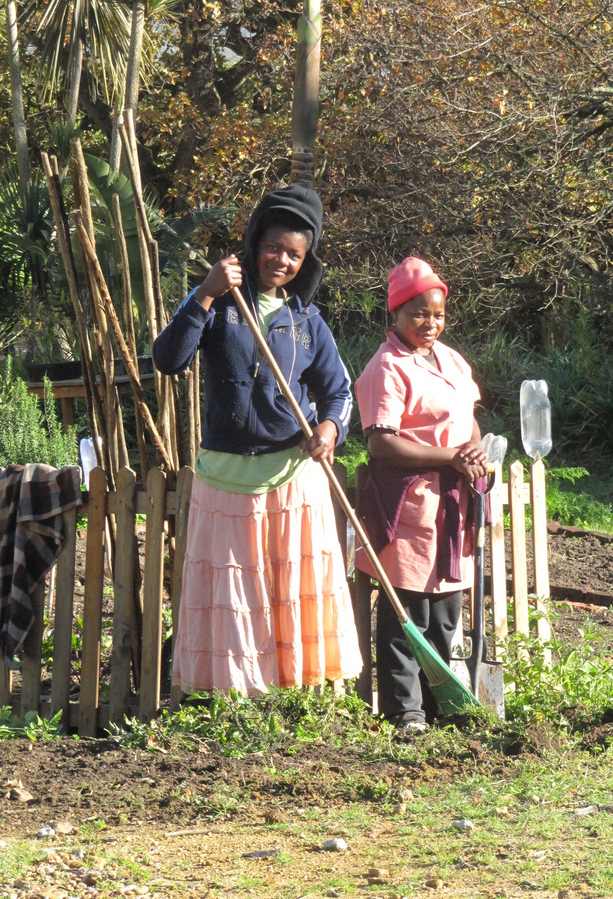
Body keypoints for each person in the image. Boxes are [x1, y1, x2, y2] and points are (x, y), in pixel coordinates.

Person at [152, 186, 362, 696]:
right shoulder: (220, 305)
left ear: (305, 260)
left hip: (291, 478)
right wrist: (204, 292)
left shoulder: (307, 322)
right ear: (253, 245)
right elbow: (168, 359)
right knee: (233, 593)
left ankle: (291, 693)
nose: (282, 260)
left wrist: (330, 430)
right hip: (225, 477)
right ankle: (234, 697)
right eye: (273, 248)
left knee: (288, 591)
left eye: (295, 253)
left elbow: (339, 393)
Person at [354, 257, 487, 730]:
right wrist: (448, 456)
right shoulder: (385, 367)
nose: (430, 324)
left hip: (453, 505)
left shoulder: (451, 360)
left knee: (446, 612)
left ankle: (441, 705)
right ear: (395, 314)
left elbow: (468, 419)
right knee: (406, 615)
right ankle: (405, 712)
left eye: (438, 315)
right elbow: (380, 441)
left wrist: (471, 453)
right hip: (408, 504)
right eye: (418, 314)